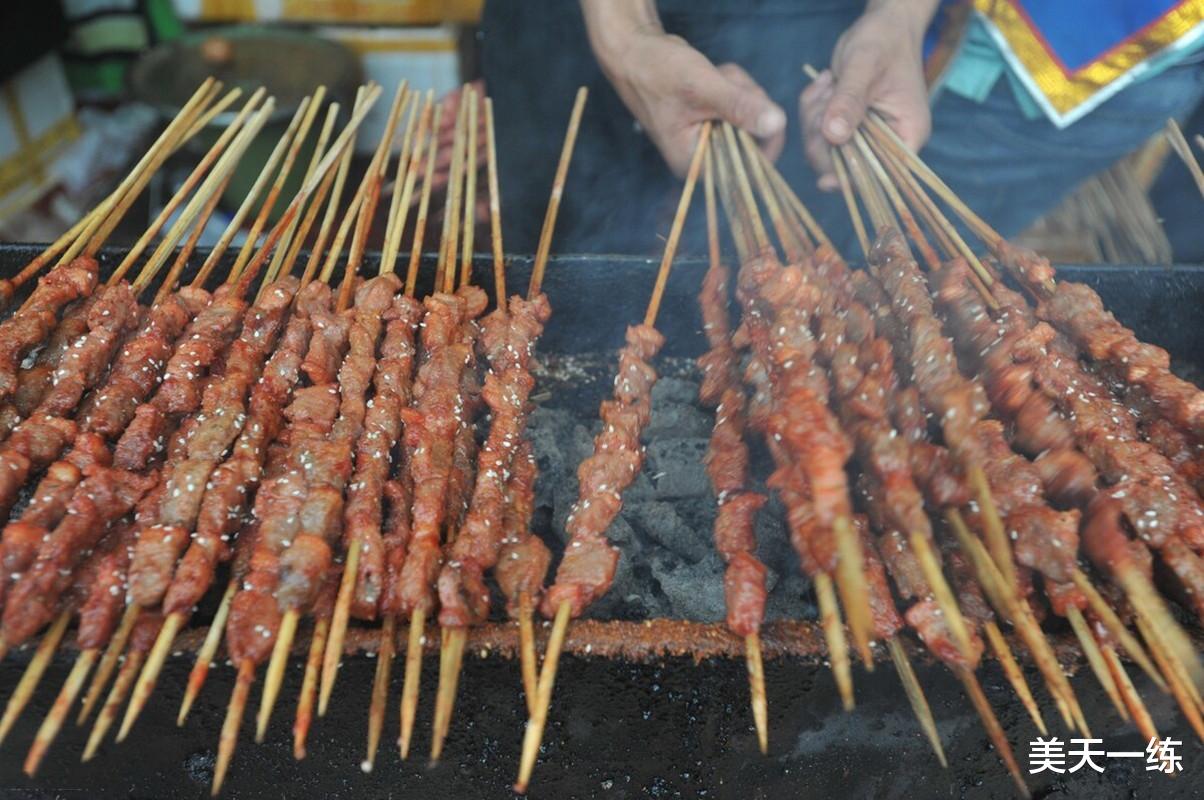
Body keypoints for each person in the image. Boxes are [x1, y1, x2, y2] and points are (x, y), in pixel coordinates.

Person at [482, 0, 1204, 256]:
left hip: (814, 10)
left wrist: (898, 15)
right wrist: (622, 35)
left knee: (820, 246)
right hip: (573, 21)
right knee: (556, 263)